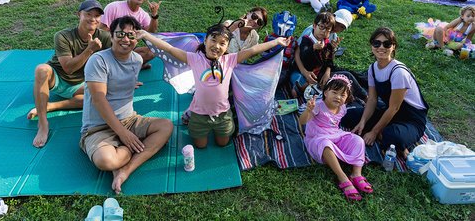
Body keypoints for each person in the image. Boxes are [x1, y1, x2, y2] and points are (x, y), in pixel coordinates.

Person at [137, 23, 290, 149]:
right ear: (205, 41)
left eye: (222, 43)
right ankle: (189, 117)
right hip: (199, 115)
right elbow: (169, 48)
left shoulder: (230, 60)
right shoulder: (194, 59)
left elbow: (252, 50)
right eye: (213, 40)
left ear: (227, 47)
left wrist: (277, 42)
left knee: (222, 144)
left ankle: (213, 126)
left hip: (223, 115)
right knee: (200, 146)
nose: (217, 46)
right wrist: (146, 35)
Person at [80, 16, 173, 194]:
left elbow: (123, 81)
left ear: (137, 38)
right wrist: (124, 135)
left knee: (166, 126)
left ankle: (126, 170)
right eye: (120, 34)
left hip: (129, 120)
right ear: (112, 35)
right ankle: (130, 149)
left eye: (131, 35)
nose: (125, 39)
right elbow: (99, 99)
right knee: (106, 161)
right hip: (98, 127)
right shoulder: (98, 61)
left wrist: (126, 131)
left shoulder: (137, 60)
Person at [29, 0, 112, 148]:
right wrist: (89, 50)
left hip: (81, 83)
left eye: (97, 16)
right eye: (88, 14)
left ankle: (51, 106)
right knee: (41, 70)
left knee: (105, 93)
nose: (93, 19)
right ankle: (43, 123)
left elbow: (115, 60)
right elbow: (68, 68)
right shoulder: (63, 36)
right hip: (58, 78)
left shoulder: (105, 37)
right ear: (78, 14)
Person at [342, 27, 429, 157]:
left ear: (393, 47)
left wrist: (374, 132)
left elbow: (394, 108)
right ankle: (387, 135)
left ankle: (389, 136)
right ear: (371, 45)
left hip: (410, 119)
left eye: (387, 44)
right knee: (349, 116)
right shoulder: (372, 69)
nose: (381, 47)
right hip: (389, 113)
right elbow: (372, 100)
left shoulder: (398, 72)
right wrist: (363, 122)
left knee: (393, 137)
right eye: (377, 43)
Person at [300, 75, 372, 201]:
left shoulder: (342, 108)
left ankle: (356, 174)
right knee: (325, 145)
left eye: (343, 95)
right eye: (334, 92)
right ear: (326, 92)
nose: (338, 97)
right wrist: (308, 110)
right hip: (317, 137)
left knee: (358, 140)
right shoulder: (318, 106)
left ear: (347, 98)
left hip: (335, 134)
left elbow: (336, 126)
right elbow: (302, 121)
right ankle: (343, 177)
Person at [100, 0, 160, 66]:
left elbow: (150, 34)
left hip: (128, 48)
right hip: (110, 48)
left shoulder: (143, 15)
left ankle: (127, 66)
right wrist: (120, 43)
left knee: (152, 52)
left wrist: (154, 15)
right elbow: (102, 31)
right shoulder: (113, 7)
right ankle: (126, 66)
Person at [291, 12, 335, 97]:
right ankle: (300, 90)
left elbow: (329, 59)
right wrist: (313, 48)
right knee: (297, 79)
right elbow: (303, 56)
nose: (324, 31)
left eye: (327, 29)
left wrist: (332, 49)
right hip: (300, 71)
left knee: (329, 83)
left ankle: (312, 90)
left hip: (317, 73)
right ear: (314, 26)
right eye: (321, 27)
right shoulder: (306, 40)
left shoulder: (326, 42)